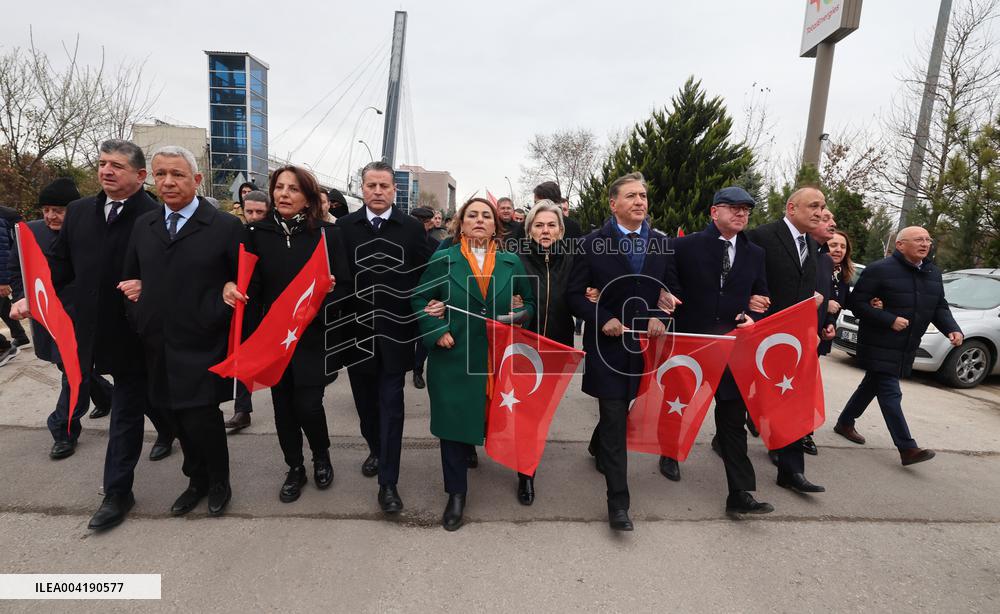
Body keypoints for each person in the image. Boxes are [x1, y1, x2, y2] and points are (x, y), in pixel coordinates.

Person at [12, 140, 175, 531]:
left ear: (140, 175)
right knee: (136, 398)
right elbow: (60, 265)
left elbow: (172, 274)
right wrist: (32, 295)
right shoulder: (81, 211)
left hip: (135, 331)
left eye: (116, 165)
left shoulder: (155, 217)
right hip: (86, 328)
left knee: (126, 409)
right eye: (102, 163)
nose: (106, 171)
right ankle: (168, 427)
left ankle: (117, 492)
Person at [122, 145, 243, 518]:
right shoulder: (145, 225)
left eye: (177, 174)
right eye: (161, 174)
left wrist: (225, 296)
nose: (168, 182)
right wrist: (139, 312)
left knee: (202, 416)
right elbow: (131, 276)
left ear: (197, 179)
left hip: (204, 340)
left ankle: (219, 481)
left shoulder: (225, 227)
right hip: (157, 340)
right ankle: (195, 480)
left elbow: (244, 280)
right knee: (173, 414)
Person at [413, 197, 536, 530]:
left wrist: (521, 312)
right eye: (472, 215)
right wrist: (436, 330)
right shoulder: (444, 259)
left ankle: (525, 474)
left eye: (486, 216)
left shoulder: (511, 261)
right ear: (461, 224)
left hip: (500, 359)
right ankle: (456, 494)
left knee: (509, 419)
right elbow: (420, 297)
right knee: (452, 427)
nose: (479, 220)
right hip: (454, 357)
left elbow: (530, 301)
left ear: (496, 226)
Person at [234, 165, 352, 502]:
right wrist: (233, 290)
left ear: (308, 198)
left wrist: (328, 296)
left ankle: (321, 455)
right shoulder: (255, 233)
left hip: (313, 337)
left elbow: (346, 286)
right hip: (274, 339)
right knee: (283, 407)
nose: (284, 194)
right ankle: (294, 466)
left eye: (293, 189)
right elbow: (249, 285)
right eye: (279, 187)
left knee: (309, 405)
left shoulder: (328, 236)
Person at [566, 171, 673, 531]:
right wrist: (602, 318)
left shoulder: (661, 242)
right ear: (613, 204)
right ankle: (618, 503)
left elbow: (670, 289)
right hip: (608, 345)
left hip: (645, 347)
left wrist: (660, 315)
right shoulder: (591, 243)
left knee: (625, 408)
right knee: (614, 418)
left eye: (643, 196)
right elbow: (574, 295)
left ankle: (597, 445)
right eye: (631, 196)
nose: (640, 201)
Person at [659, 187, 774, 516]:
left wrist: (754, 316)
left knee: (733, 417)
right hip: (691, 343)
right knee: (677, 403)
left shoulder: (755, 253)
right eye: (734, 208)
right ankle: (669, 452)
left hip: (732, 348)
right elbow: (668, 286)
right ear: (714, 212)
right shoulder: (684, 246)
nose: (741, 214)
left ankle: (740, 492)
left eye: (746, 210)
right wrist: (665, 296)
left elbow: (761, 297)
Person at [336, 160, 434, 515]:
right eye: (371, 185)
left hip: (396, 335)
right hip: (356, 337)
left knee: (392, 408)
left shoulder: (411, 229)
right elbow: (336, 278)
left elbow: (429, 273)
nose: (377, 191)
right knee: (366, 409)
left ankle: (388, 483)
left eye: (384, 186)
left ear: (394, 190)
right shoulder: (344, 228)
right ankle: (376, 450)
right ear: (362, 188)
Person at [834, 226, 962, 465]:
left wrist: (952, 329)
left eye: (928, 240)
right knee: (890, 391)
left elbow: (938, 306)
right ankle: (907, 448)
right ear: (900, 245)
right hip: (878, 341)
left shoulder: (933, 273)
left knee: (872, 385)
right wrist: (889, 319)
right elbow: (857, 303)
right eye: (918, 240)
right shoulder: (879, 270)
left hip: (907, 344)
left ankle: (845, 422)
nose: (925, 244)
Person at [8, 178, 114, 458]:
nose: (50, 216)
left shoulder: (92, 232)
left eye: (58, 210)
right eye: (46, 210)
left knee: (73, 371)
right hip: (46, 317)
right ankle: (107, 396)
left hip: (81, 317)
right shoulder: (29, 233)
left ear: (73, 210)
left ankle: (63, 429)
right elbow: (18, 269)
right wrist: (23, 296)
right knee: (68, 367)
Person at [744, 186, 827, 494]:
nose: (820, 212)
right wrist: (747, 303)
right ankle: (722, 440)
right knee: (739, 398)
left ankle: (791, 471)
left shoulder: (811, 245)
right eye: (814, 206)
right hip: (760, 335)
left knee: (792, 400)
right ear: (792, 208)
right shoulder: (762, 236)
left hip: (794, 341)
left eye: (822, 207)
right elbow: (742, 277)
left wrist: (812, 329)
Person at [511, 199, 575, 505]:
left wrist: (595, 293)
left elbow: (582, 292)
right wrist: (510, 302)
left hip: (557, 347)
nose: (545, 230)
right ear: (529, 231)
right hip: (522, 346)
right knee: (526, 410)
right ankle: (526, 472)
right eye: (538, 225)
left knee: (541, 410)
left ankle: (526, 460)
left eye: (551, 225)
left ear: (560, 230)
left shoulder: (573, 260)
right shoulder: (514, 259)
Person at [223, 189, 270, 432]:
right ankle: (242, 409)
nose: (253, 217)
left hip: (271, 306)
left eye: (259, 212)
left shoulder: (275, 236)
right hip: (247, 305)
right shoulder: (237, 235)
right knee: (244, 356)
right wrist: (229, 284)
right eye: (249, 211)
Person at [408, 206, 440, 390]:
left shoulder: (435, 245)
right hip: (403, 295)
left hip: (426, 297)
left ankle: (418, 370)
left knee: (422, 337)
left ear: (429, 224)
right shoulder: (402, 241)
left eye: (424, 222)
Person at [0, 204, 29, 366]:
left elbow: (2, 250)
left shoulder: (5, 215)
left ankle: (3, 348)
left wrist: (3, 281)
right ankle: (20, 336)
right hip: (8, 270)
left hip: (7, 271)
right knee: (4, 306)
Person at [819, 229, 855, 356]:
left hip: (825, 333)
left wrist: (872, 301)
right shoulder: (815, 268)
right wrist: (825, 305)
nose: (839, 250)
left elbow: (847, 302)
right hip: (807, 333)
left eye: (843, 247)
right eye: (833, 245)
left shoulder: (842, 276)